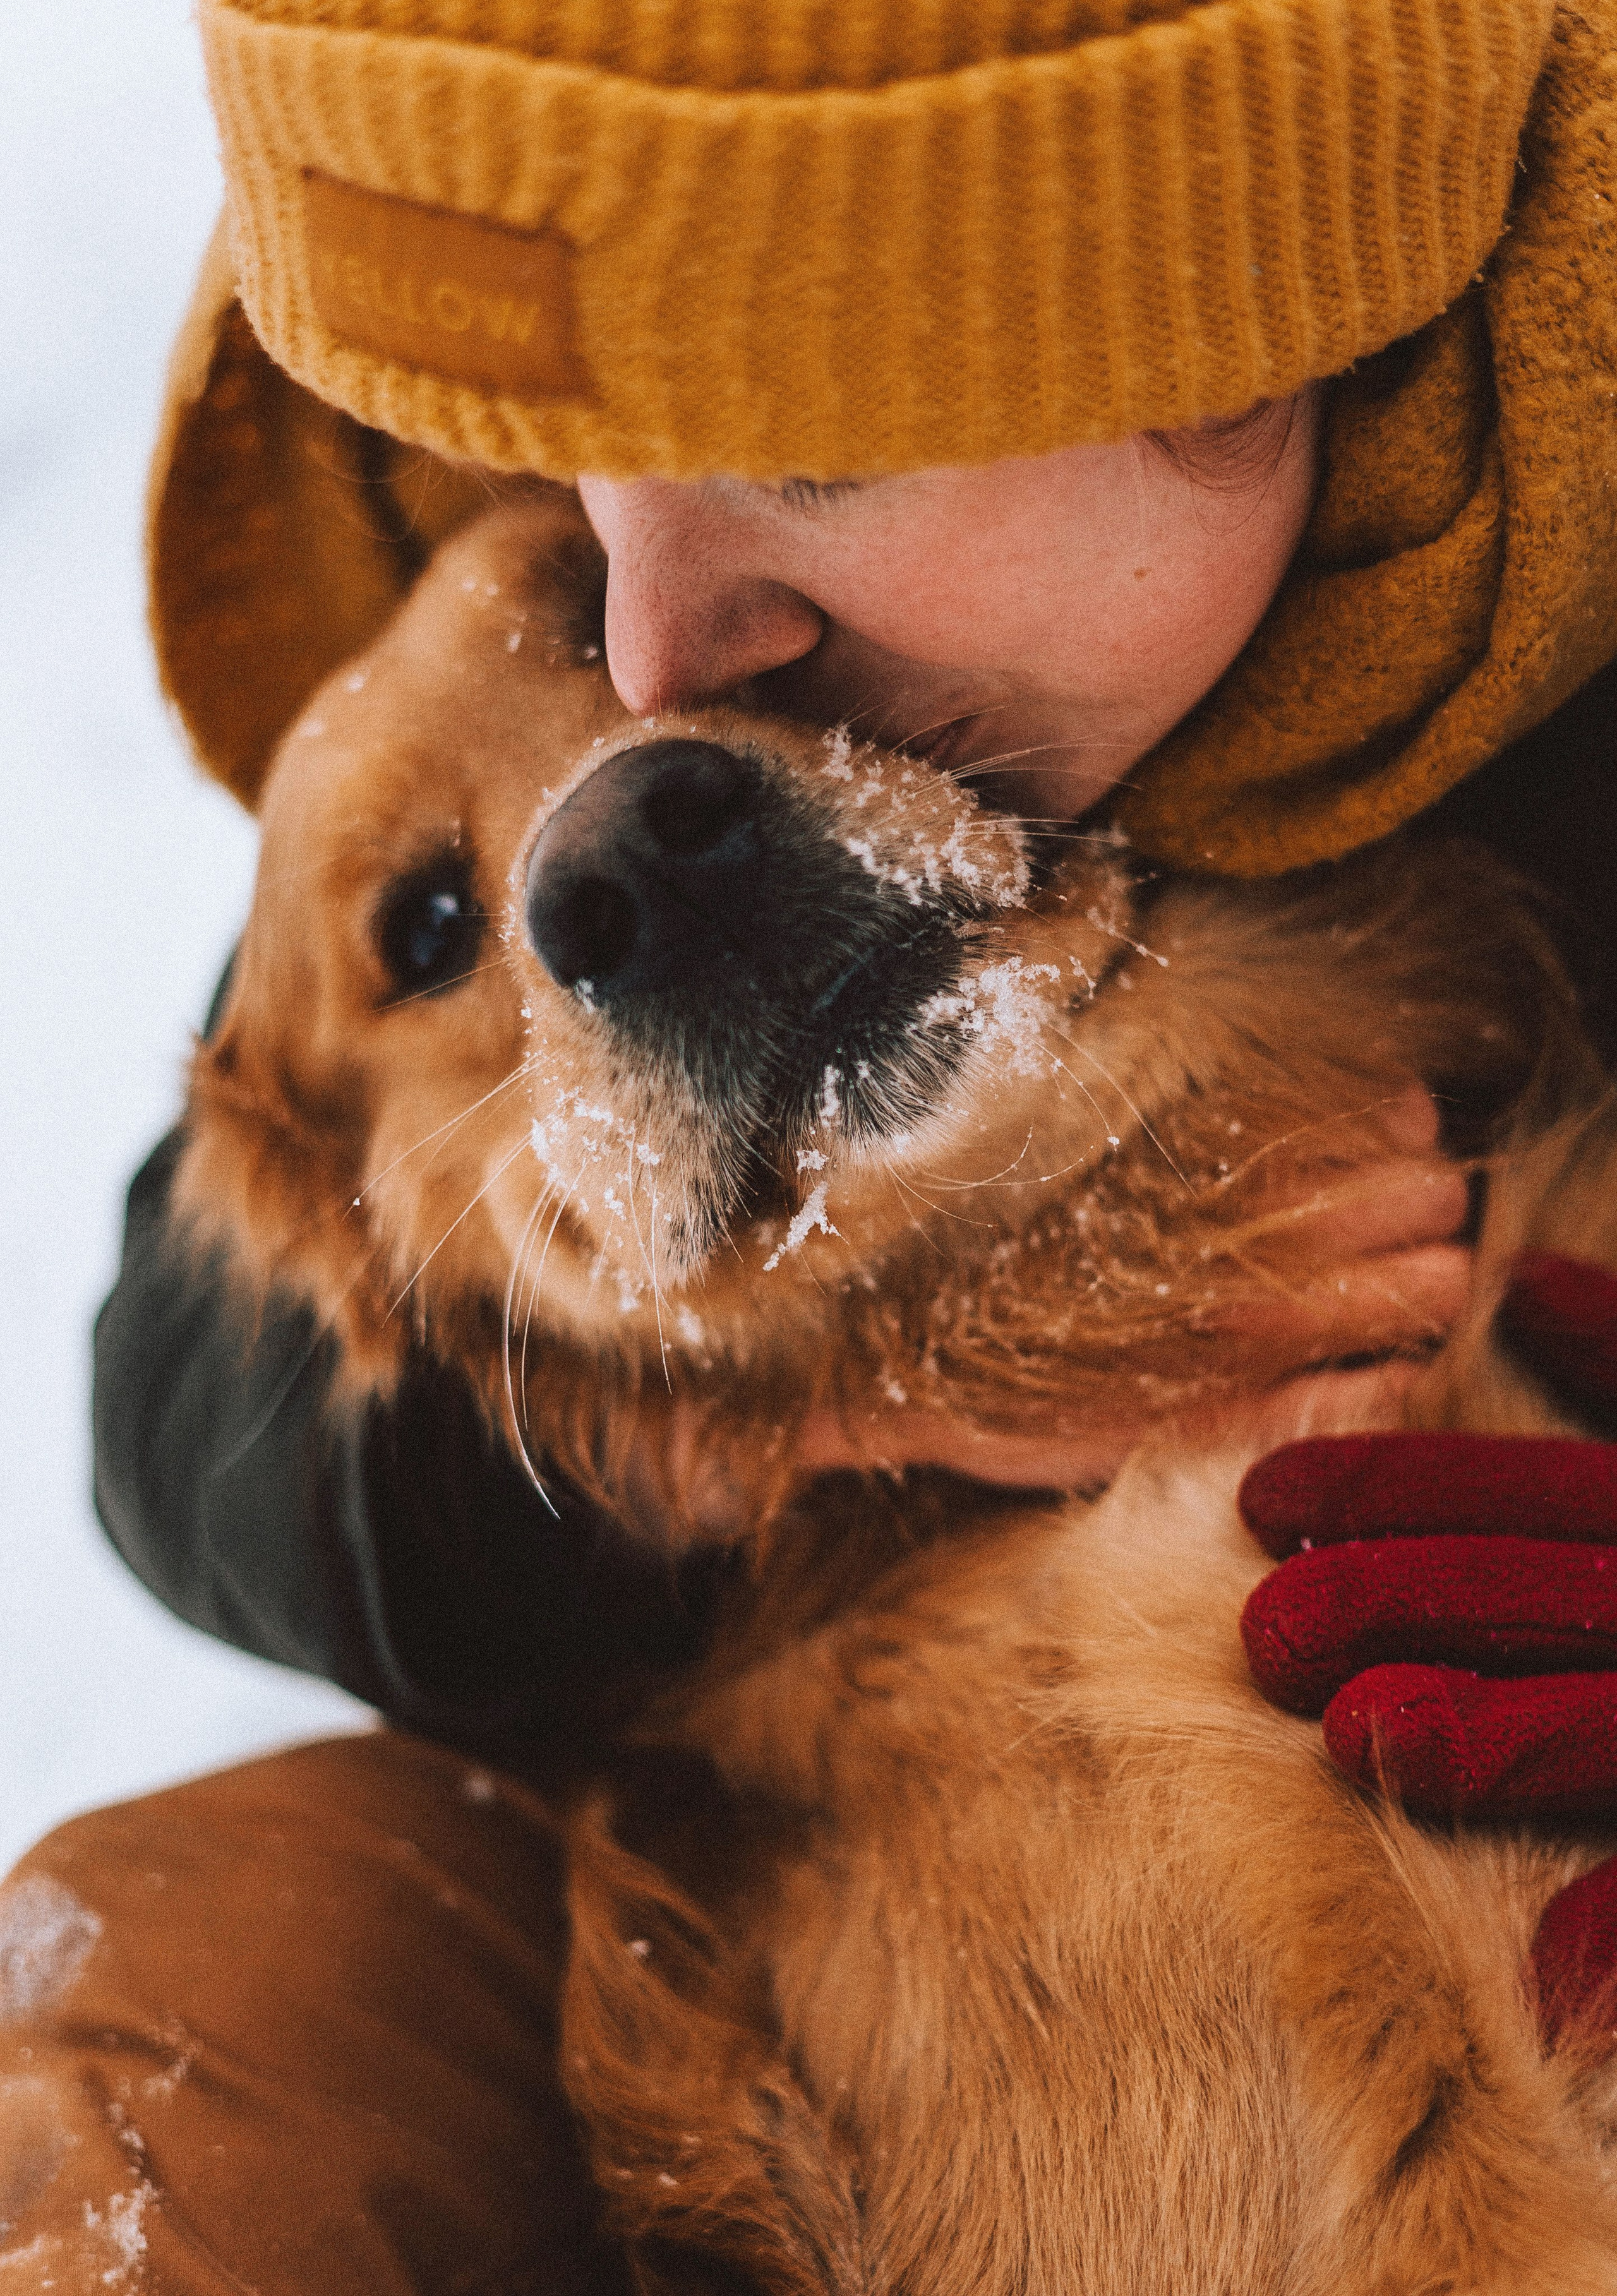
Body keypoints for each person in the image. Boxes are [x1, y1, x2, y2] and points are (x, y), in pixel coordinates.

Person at [3, 0, 1616, 2284]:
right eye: (438, 919)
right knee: (199, 1987)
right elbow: (182, 1362)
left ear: (1232, 342)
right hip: (790, 1794)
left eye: (804, 449)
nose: (652, 708)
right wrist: (747, 1441)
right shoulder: (496, 268)